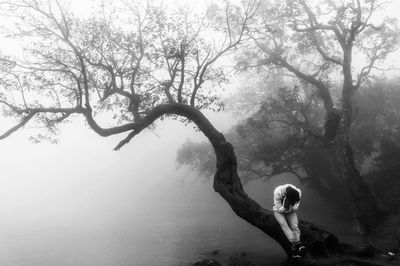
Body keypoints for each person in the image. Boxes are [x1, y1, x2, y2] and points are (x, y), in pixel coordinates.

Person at [273, 184, 305, 258]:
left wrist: (290, 206)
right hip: (278, 211)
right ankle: (295, 244)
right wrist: (285, 205)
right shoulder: (278, 191)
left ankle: (298, 245)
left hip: (291, 211)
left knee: (294, 226)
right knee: (283, 224)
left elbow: (296, 208)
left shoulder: (298, 192)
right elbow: (279, 208)